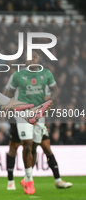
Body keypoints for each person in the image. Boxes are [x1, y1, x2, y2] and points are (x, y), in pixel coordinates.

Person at [4, 52, 72, 194]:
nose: (32, 59)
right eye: (30, 57)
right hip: (22, 114)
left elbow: (54, 91)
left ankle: (28, 178)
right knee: (25, 145)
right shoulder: (17, 75)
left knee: (35, 147)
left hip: (39, 115)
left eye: (35, 56)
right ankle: (26, 181)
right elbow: (8, 92)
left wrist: (48, 105)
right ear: (25, 61)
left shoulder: (46, 74)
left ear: (39, 59)